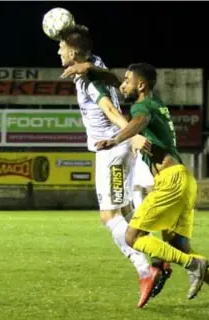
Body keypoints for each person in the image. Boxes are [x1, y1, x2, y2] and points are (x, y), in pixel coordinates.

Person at [62, 62, 209, 311]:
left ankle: (192, 265)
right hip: (185, 179)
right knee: (178, 246)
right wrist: (90, 68)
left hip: (170, 182)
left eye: (127, 80)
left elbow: (139, 119)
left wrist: (117, 138)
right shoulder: (157, 104)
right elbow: (117, 85)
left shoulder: (142, 106)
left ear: (141, 85)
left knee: (132, 236)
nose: (123, 84)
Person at [57, 25, 164, 308]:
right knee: (128, 212)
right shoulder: (97, 64)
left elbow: (110, 110)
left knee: (109, 216)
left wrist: (132, 133)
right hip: (116, 150)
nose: (58, 51)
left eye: (61, 47)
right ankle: (160, 259)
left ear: (73, 52)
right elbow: (105, 71)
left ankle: (145, 269)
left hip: (111, 150)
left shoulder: (88, 80)